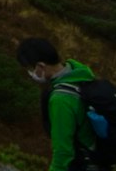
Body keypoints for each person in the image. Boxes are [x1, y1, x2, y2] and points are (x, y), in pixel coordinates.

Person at [17, 35, 94, 171]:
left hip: (84, 163)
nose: (30, 74)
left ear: (41, 66)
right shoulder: (79, 71)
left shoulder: (61, 99)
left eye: (30, 69)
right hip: (98, 157)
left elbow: (63, 152)